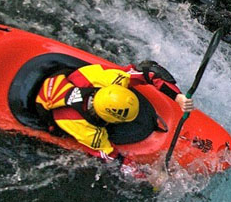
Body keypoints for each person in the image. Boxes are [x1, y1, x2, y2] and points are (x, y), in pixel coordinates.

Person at [34, 60, 193, 170]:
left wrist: (178, 97)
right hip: (50, 110)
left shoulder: (108, 80)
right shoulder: (84, 128)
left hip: (72, 80)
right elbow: (109, 157)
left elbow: (150, 71)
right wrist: (147, 175)